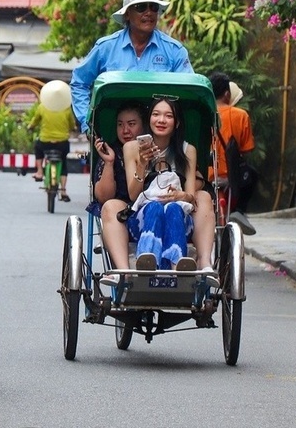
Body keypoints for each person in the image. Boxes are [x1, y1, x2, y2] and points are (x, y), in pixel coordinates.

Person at [102, 98, 217, 285]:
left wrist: (180, 196)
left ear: (177, 122)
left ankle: (194, 263)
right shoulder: (131, 148)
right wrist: (142, 163)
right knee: (150, 206)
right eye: (156, 114)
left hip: (178, 217)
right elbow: (133, 195)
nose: (161, 120)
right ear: (149, 119)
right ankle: (131, 267)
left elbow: (190, 196)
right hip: (143, 217)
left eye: (168, 116)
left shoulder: (188, 150)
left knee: (179, 206)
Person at [70, 0, 193, 132]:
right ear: (127, 14)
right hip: (111, 137)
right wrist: (87, 122)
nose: (149, 13)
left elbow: (189, 92)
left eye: (153, 7)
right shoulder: (105, 48)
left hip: (161, 141)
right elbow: (79, 82)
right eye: (141, 7)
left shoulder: (175, 51)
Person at [209, 72, 257, 235]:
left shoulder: (203, 114)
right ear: (227, 93)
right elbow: (247, 148)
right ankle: (239, 211)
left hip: (207, 174)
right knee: (253, 175)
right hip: (230, 175)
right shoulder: (240, 115)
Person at [28, 100, 77, 203]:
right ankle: (63, 191)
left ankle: (40, 172)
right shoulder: (66, 108)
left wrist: (31, 127)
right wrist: (73, 128)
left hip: (45, 142)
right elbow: (72, 124)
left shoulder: (42, 107)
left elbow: (35, 121)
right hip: (62, 143)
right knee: (63, 163)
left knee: (37, 148)